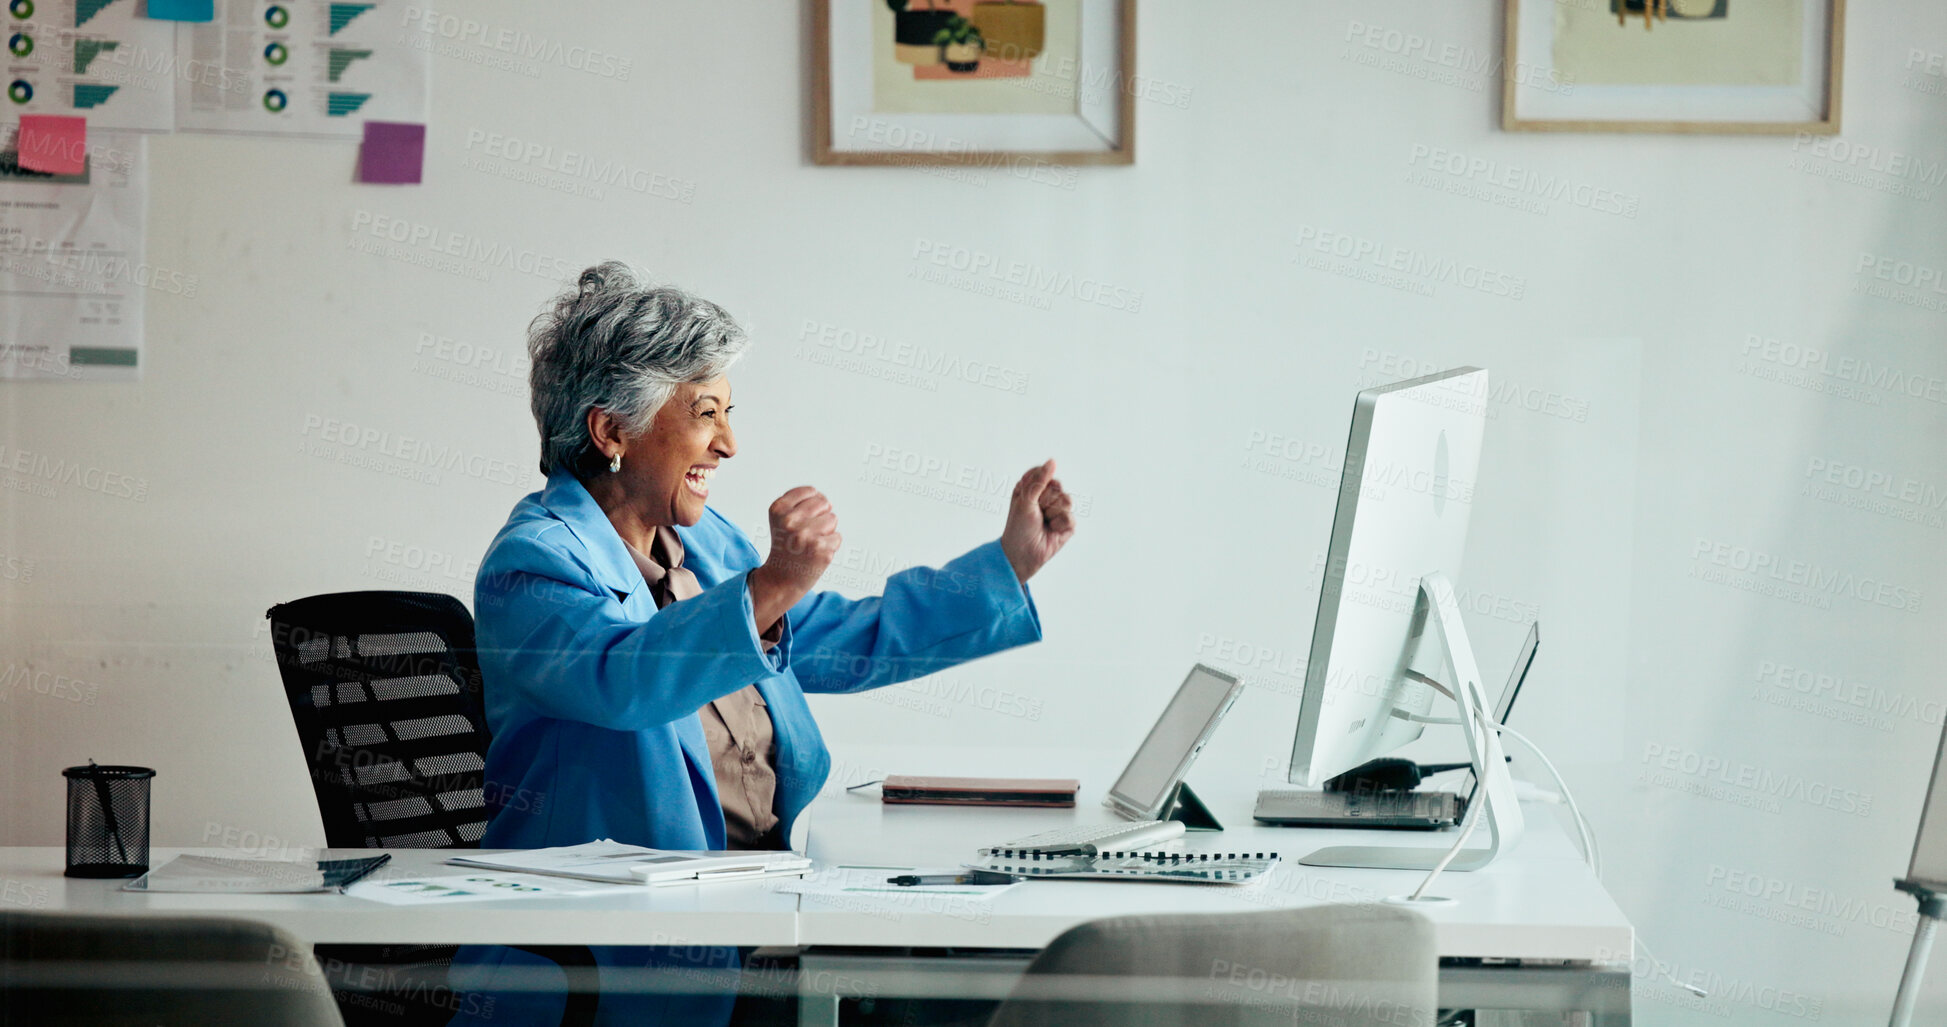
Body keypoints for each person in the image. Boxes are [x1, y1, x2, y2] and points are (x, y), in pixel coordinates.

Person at [446, 262, 1075, 1025]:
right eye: (706, 412)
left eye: (728, 411)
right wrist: (772, 582)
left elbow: (845, 636)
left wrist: (1007, 566)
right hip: (613, 969)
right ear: (611, 431)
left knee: (974, 979)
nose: (730, 443)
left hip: (757, 923)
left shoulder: (702, 545)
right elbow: (624, 678)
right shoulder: (532, 562)